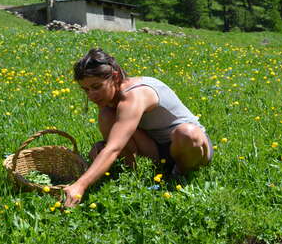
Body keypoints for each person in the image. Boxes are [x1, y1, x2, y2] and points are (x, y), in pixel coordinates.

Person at [62, 48, 213, 207]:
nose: (91, 95)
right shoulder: (110, 97)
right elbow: (117, 138)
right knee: (107, 115)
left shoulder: (135, 95)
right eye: (86, 90)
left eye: (96, 86)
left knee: (186, 133)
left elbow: (114, 147)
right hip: (157, 148)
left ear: (114, 76)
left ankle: (178, 175)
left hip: (191, 148)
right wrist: (103, 146)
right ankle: (133, 176)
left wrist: (80, 185)